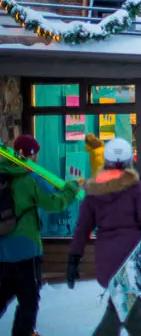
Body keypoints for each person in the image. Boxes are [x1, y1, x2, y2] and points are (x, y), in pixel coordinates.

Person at [67, 137, 141, 336]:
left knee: (122, 308)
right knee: (131, 316)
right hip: (130, 260)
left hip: (106, 260)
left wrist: (73, 259)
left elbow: (82, 229)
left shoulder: (94, 190)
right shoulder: (134, 188)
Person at [0, 134, 80, 336]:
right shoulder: (30, 178)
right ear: (31, 155)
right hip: (27, 250)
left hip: (2, 250)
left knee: (3, 293)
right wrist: (71, 189)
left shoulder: (3, 174)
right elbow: (54, 202)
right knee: (29, 300)